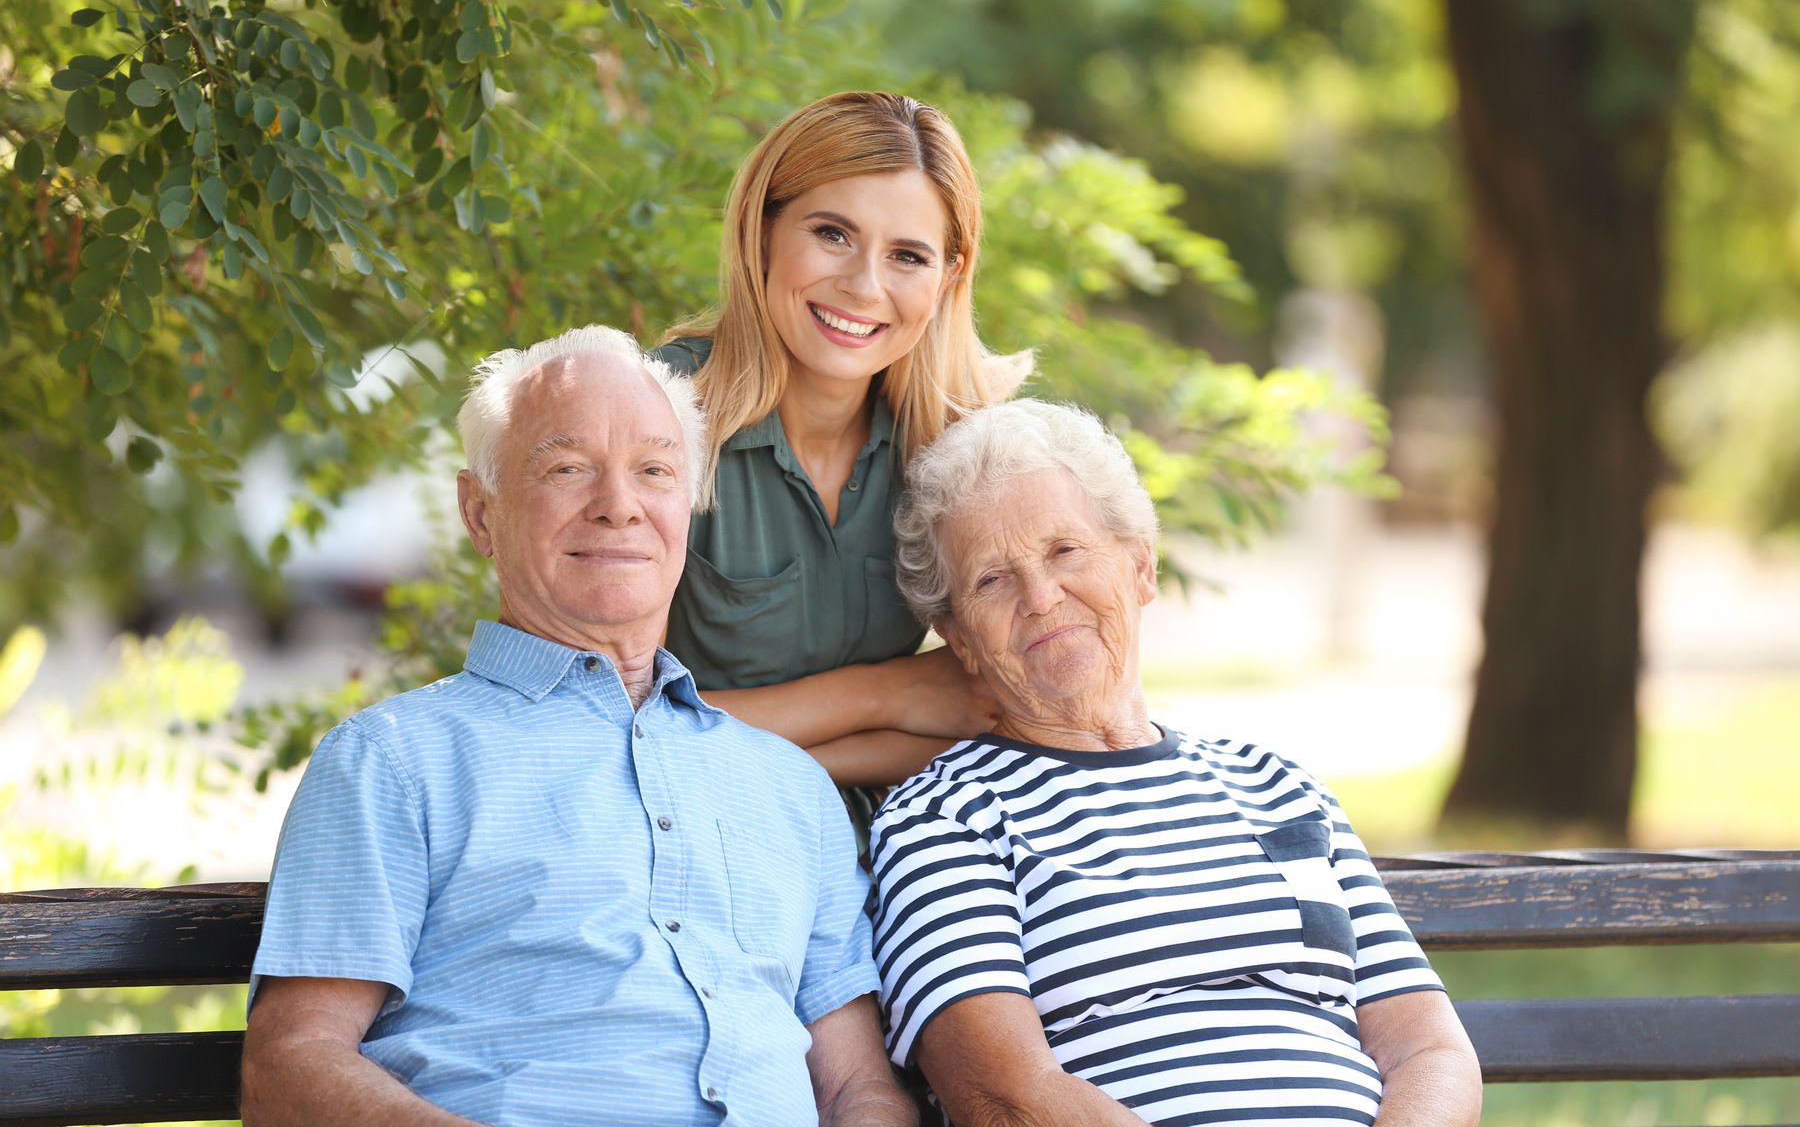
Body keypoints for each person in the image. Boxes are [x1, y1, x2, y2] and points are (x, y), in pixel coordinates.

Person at [241, 326, 914, 1127]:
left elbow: (854, 1088)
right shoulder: (393, 762)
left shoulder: (790, 785)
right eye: (567, 469)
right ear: (480, 513)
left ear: (689, 507)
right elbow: (289, 1068)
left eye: (655, 471)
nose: (619, 505)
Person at [868, 400, 1483, 1127]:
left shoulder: (1279, 787)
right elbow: (1005, 1098)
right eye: (991, 581)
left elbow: (1430, 1052)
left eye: (1066, 551)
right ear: (959, 639)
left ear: (1140, 566)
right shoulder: (943, 819)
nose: (1041, 597)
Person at [653, 90, 1029, 792]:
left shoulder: (966, 451)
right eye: (832, 234)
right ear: (761, 230)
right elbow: (602, 726)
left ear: (949, 274)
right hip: (691, 856)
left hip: (899, 857)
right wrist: (888, 695)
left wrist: (810, 754)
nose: (863, 286)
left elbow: (1018, 713)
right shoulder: (654, 417)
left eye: (908, 256)